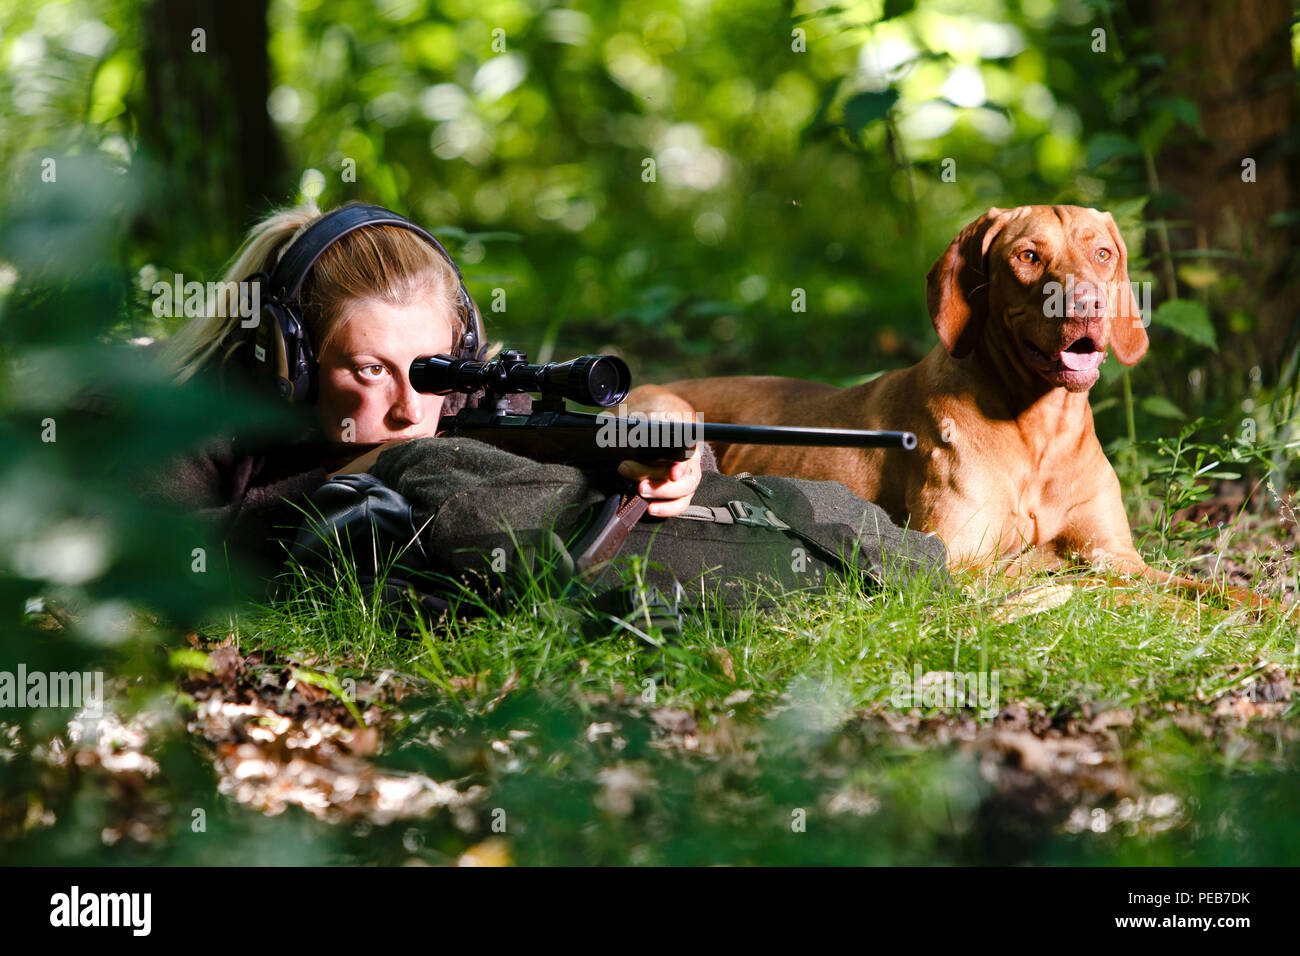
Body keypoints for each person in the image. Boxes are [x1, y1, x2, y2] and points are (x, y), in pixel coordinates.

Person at [144, 200, 706, 582]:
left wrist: (672, 449)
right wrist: (343, 483)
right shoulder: (206, 403)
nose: (410, 411)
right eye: (371, 370)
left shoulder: (465, 397)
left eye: (429, 368)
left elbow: (600, 440)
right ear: (295, 362)